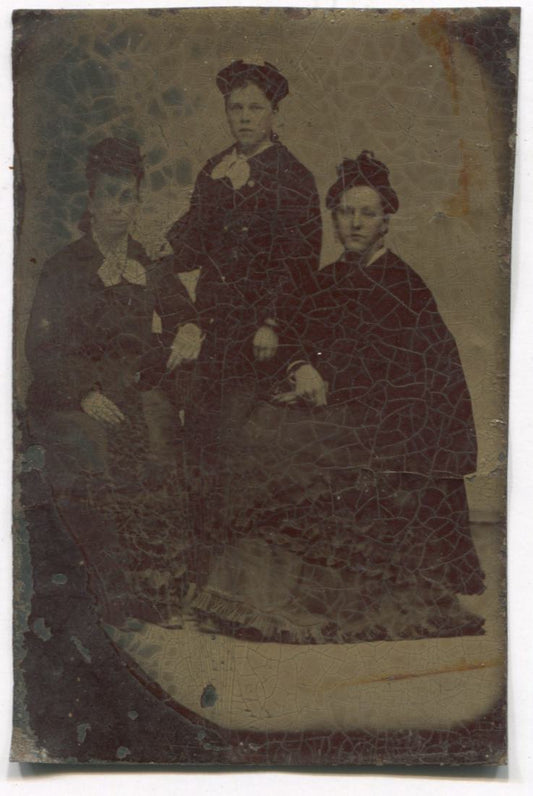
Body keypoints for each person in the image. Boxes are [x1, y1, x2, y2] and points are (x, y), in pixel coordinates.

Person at [191, 151, 485, 644]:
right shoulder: (325, 280)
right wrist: (302, 367)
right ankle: (245, 594)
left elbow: (414, 380)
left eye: (367, 213)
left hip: (388, 428)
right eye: (346, 211)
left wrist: (330, 386)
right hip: (335, 412)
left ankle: (287, 602)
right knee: (254, 428)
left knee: (282, 442)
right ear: (333, 215)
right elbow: (299, 336)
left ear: (386, 219)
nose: (354, 222)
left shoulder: (405, 289)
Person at [164, 61, 325, 580]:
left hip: (260, 338)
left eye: (256, 107)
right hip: (212, 328)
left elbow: (298, 260)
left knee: (237, 446)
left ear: (275, 112)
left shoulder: (293, 177)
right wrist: (158, 248)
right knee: (198, 441)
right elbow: (192, 240)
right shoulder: (215, 169)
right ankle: (196, 569)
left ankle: (236, 579)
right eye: (236, 108)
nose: (245, 117)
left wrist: (272, 323)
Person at [25, 137, 187, 626]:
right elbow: (43, 351)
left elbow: (183, 310)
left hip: (128, 393)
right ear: (91, 201)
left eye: (129, 196)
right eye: (110, 195)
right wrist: (84, 393)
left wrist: (191, 327)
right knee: (91, 447)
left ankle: (154, 585)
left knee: (163, 444)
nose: (119, 206)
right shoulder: (63, 267)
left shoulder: (147, 260)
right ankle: (111, 588)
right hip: (70, 399)